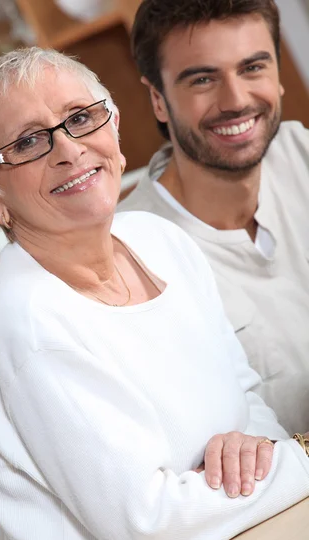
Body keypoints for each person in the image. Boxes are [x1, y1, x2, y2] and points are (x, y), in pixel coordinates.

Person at [0, 47, 309, 540]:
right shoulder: (28, 321)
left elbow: (247, 398)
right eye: (26, 143)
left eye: (80, 117)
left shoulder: (159, 239)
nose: (69, 150)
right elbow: (153, 527)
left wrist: (257, 449)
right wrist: (298, 458)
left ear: (113, 125)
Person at [119, 0, 309, 435]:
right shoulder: (133, 257)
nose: (236, 100)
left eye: (253, 68)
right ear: (158, 100)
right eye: (202, 79)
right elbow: (195, 442)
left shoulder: (302, 155)